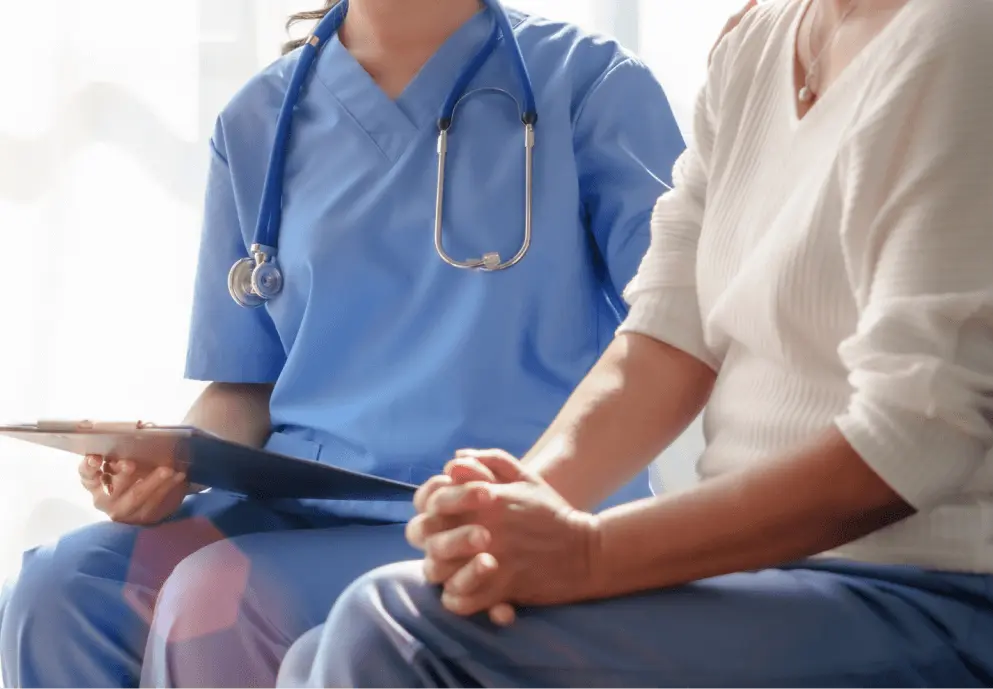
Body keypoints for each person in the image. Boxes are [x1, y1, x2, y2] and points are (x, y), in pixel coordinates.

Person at [275, 0, 993, 687]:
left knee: (396, 630)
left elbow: (915, 436)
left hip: (940, 589)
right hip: (777, 578)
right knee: (322, 648)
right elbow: (665, 338)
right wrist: (508, 514)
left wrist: (586, 553)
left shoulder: (970, 33)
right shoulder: (758, 46)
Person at [0, 0, 730, 685]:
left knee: (220, 596)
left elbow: (682, 326)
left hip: (496, 505)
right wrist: (167, 463)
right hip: (299, 509)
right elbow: (246, 383)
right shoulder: (260, 118)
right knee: (65, 585)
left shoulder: (590, 84)